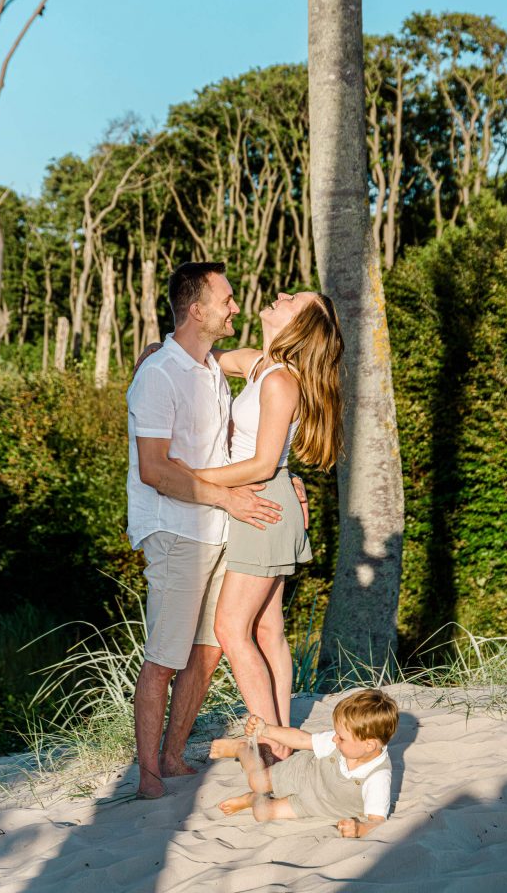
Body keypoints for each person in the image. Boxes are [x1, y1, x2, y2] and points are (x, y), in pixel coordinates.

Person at [128, 261, 306, 799]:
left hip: (221, 523)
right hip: (177, 529)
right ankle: (148, 777)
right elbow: (153, 471)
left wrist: (284, 476)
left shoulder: (212, 365)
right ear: (197, 309)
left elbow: (265, 438)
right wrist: (228, 494)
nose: (236, 306)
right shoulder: (161, 374)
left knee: (210, 649)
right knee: (165, 657)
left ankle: (175, 755)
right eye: (227, 299)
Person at [172, 290, 344, 760]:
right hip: (267, 504)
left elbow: (264, 464)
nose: (282, 294)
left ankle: (271, 739)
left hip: (262, 506)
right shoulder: (263, 367)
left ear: (301, 327)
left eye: (294, 300)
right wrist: (164, 346)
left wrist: (188, 478)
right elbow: (218, 355)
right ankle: (284, 737)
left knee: (230, 628)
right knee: (267, 630)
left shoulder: (281, 381)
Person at [209, 689, 399, 836]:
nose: (335, 739)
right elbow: (302, 741)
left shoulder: (377, 778)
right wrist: (266, 730)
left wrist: (359, 829)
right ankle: (244, 750)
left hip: (311, 804)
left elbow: (377, 821)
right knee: (256, 781)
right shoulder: (338, 742)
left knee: (262, 813)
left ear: (369, 745)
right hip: (303, 773)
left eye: (341, 738)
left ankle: (251, 799)